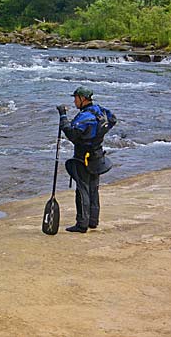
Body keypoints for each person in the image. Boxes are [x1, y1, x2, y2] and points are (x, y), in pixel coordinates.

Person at [57, 86, 117, 233]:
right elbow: (112, 119)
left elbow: (72, 134)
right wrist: (99, 134)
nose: (74, 101)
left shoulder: (85, 116)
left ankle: (82, 224)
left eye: (75, 98)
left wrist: (63, 117)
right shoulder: (99, 110)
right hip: (97, 156)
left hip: (83, 158)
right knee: (93, 189)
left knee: (82, 189)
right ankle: (93, 221)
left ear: (82, 99)